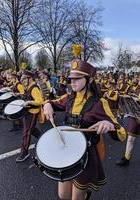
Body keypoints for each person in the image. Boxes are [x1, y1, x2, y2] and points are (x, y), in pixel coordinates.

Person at [43, 45, 126, 200]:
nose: (72, 82)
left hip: (85, 154)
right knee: (63, 195)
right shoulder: (69, 98)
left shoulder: (100, 103)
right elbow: (52, 102)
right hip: (67, 150)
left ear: (90, 79)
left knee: (77, 197)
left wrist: (109, 126)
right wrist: (47, 104)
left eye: (77, 78)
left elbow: (122, 132)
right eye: (70, 79)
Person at [16, 70, 44, 162]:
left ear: (30, 78)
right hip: (28, 112)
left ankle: (24, 153)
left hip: (32, 112)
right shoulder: (29, 87)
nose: (23, 81)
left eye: (25, 79)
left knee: (26, 133)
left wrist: (29, 102)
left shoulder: (34, 88)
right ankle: (43, 139)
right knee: (31, 129)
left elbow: (40, 101)